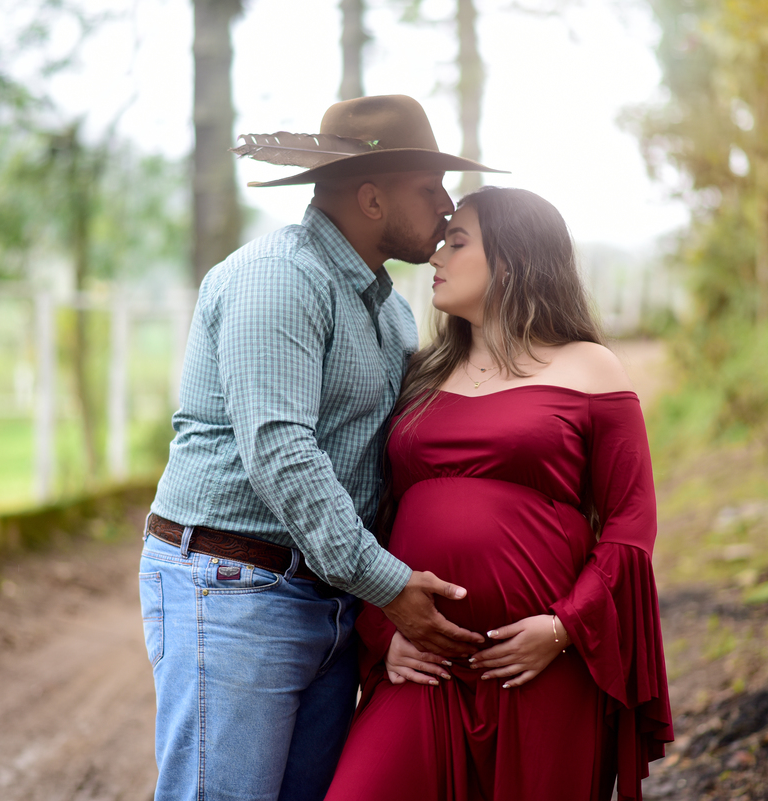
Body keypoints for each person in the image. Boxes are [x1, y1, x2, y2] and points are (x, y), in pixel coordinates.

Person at [137, 95, 505, 801]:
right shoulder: (279, 279)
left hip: (329, 598)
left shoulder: (389, 311)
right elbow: (282, 453)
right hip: (236, 585)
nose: (446, 204)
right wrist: (391, 586)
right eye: (429, 189)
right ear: (371, 197)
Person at [324, 186, 675, 801]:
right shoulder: (419, 374)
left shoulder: (591, 368)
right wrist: (384, 633)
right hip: (425, 663)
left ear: (513, 260)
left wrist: (565, 628)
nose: (436, 257)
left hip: (539, 667)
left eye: (457, 243)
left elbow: (630, 524)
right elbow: (372, 512)